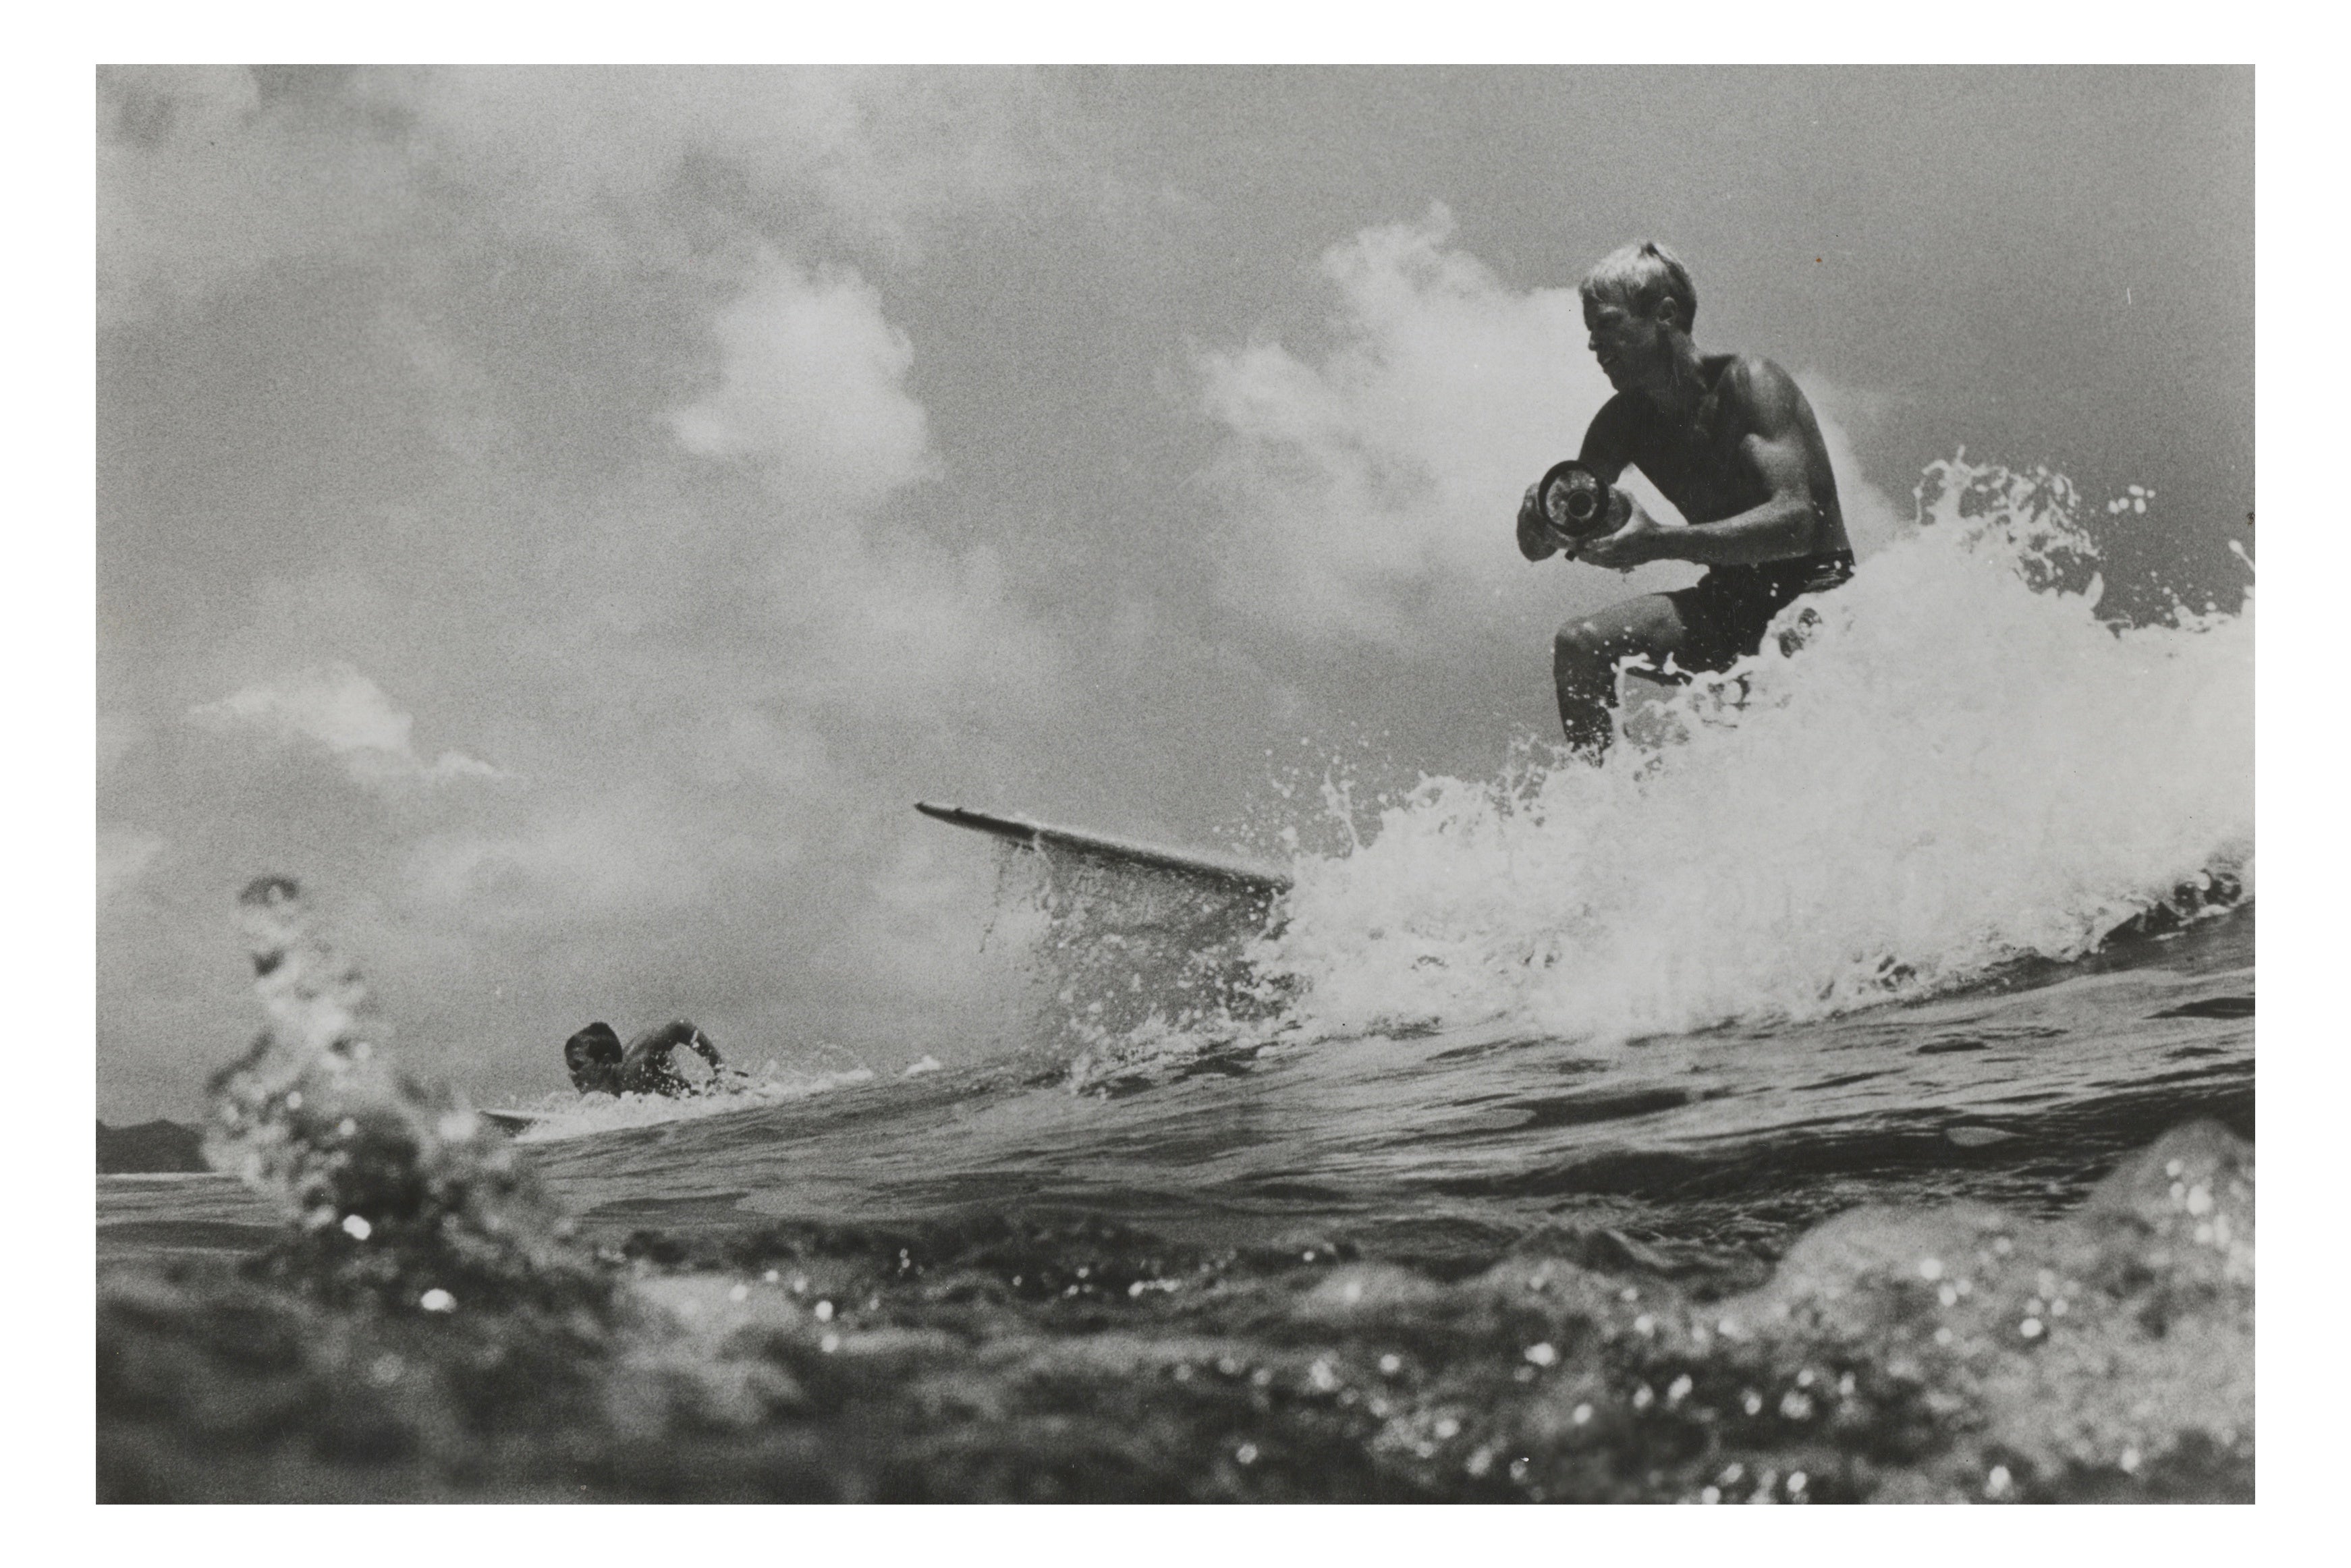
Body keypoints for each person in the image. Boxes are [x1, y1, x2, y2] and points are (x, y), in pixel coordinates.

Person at [1518, 241, 1854, 755]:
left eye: (1606, 324)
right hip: (1730, 601)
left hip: (1815, 592)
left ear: (1665, 315)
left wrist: (1659, 543)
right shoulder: (1621, 423)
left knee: (1779, 703)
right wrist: (1540, 517)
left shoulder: (1750, 382)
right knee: (1580, 646)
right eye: (1590, 332)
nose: (1593, 345)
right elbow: (1541, 546)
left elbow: (1797, 522)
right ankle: (1613, 812)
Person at [562, 1019, 725, 1097]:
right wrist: (675, 1076)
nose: (572, 1074)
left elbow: (680, 1027)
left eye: (578, 1066)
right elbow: (660, 1053)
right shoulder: (607, 1090)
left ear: (605, 1062)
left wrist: (722, 1073)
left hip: (715, 1100)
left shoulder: (630, 1071)